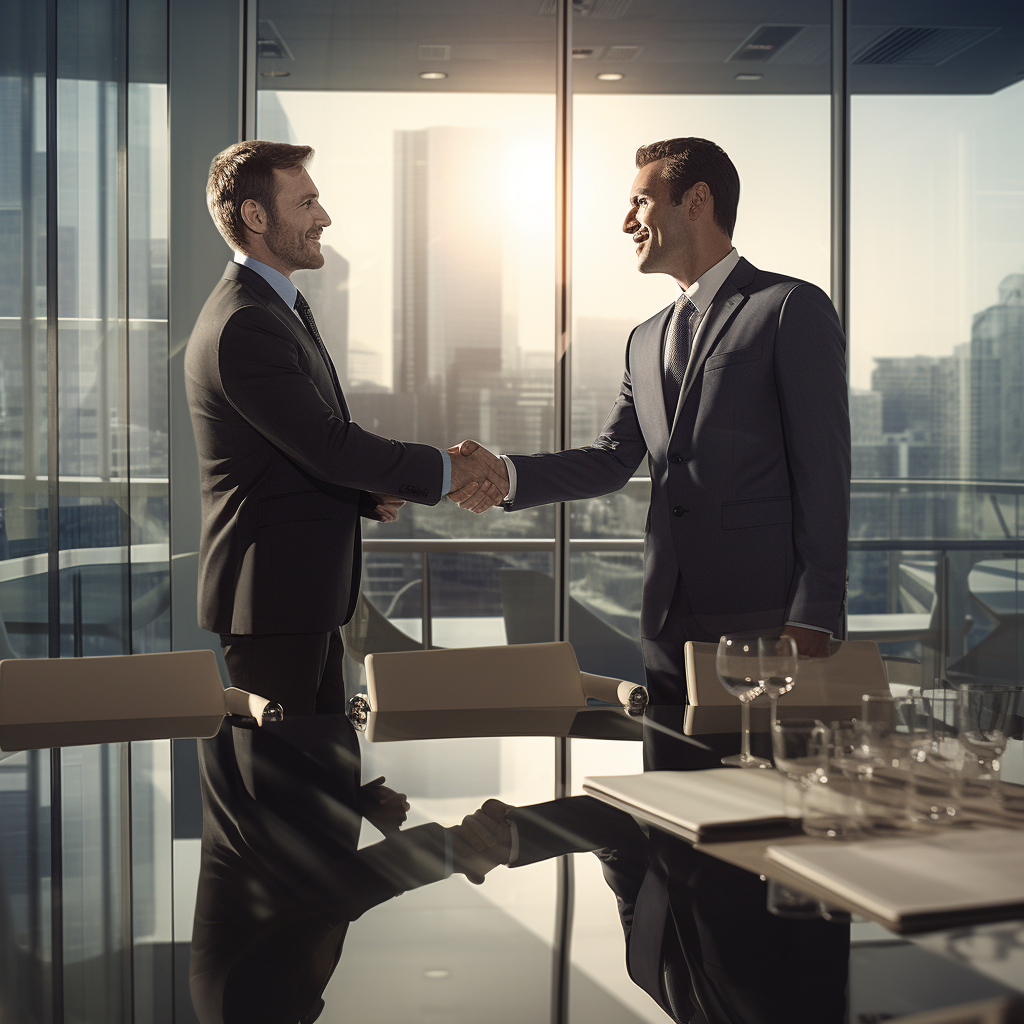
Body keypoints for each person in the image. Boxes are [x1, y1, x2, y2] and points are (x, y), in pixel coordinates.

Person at [455, 137, 850, 704]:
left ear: (696, 201)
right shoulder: (645, 340)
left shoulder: (789, 307)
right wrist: (507, 474)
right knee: (666, 775)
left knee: (760, 785)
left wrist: (816, 610)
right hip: (666, 617)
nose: (625, 222)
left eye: (640, 202)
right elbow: (612, 459)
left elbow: (825, 470)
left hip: (765, 616)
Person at [185, 141, 503, 715]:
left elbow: (293, 446)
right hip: (272, 600)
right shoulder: (246, 322)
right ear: (256, 217)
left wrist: (365, 489)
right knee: (283, 782)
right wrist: (446, 469)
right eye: (306, 204)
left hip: (294, 598)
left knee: (317, 772)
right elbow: (328, 445)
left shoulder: (267, 308)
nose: (324, 218)